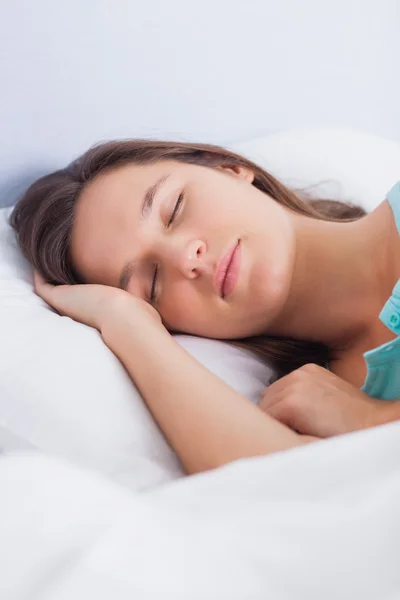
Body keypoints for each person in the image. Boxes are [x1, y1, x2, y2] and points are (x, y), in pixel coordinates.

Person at [9, 139, 400, 475]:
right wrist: (128, 325)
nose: (186, 258)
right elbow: (289, 491)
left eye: (175, 208)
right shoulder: (324, 400)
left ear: (231, 169)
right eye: (153, 284)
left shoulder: (355, 412)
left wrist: (372, 420)